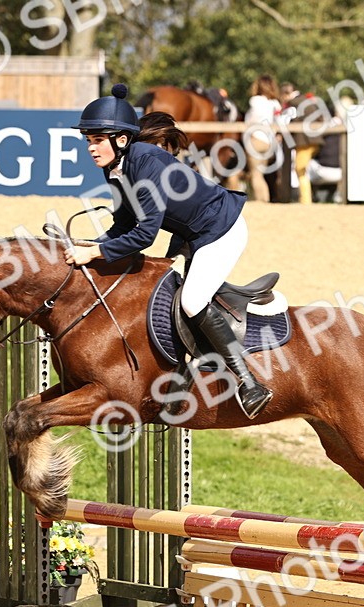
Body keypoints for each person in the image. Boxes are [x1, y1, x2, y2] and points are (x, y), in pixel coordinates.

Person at [65, 84, 273, 419]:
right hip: (193, 235)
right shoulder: (115, 168)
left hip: (222, 229)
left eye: (98, 139)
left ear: (121, 140)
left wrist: (95, 254)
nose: (91, 147)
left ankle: (250, 383)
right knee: (168, 298)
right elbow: (123, 224)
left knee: (192, 301)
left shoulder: (146, 164)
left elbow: (145, 235)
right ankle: (184, 376)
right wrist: (92, 244)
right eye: (88, 140)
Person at [243, 75, 280, 203]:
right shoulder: (275, 104)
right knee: (261, 175)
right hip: (269, 142)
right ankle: (265, 201)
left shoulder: (255, 101)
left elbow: (251, 120)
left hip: (256, 139)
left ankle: (260, 202)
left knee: (255, 174)